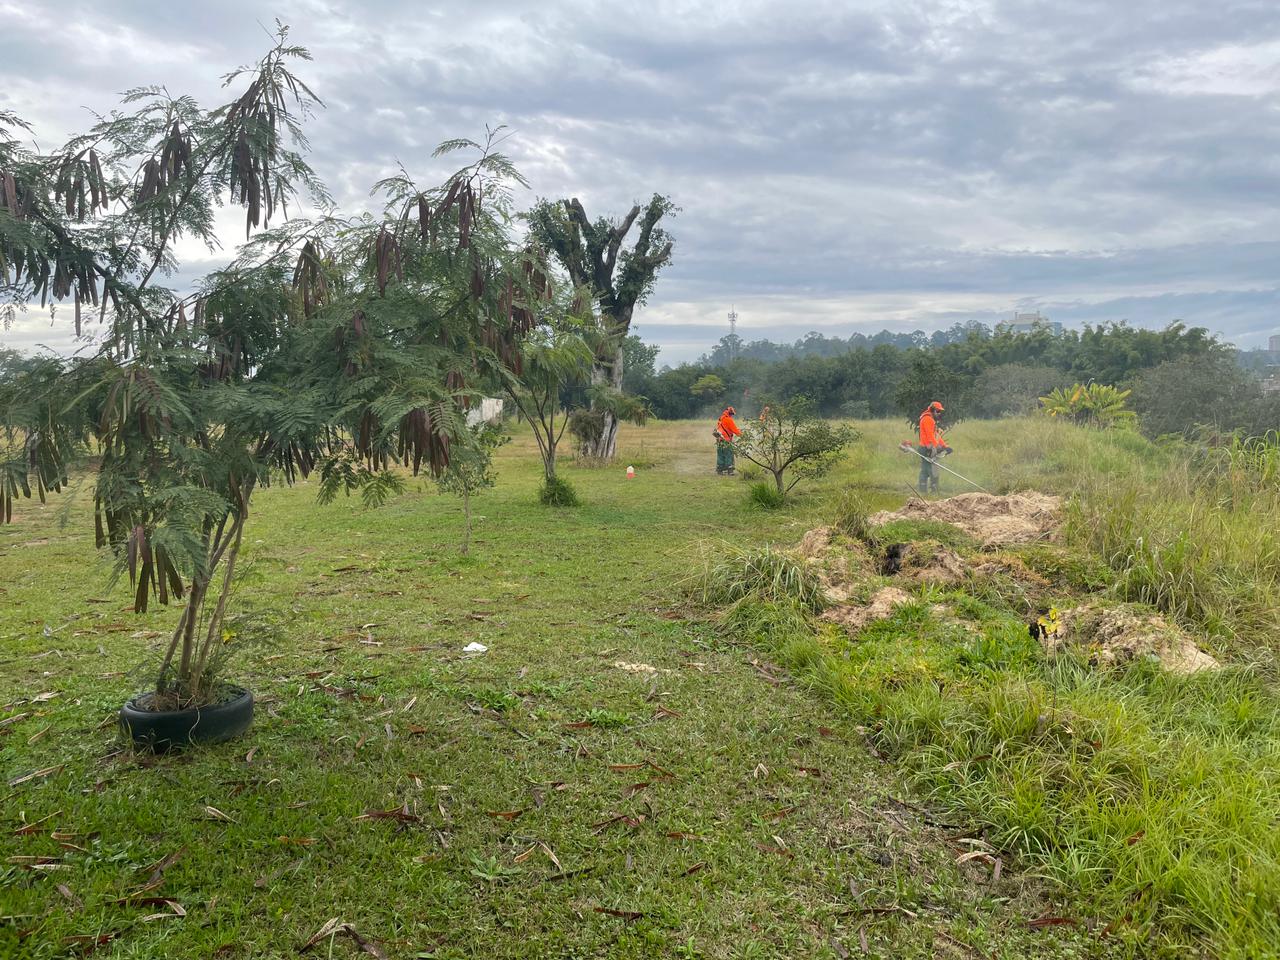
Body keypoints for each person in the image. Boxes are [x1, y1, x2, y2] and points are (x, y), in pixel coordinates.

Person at [917, 401, 944, 492]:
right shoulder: (928, 419)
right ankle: (933, 491)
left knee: (925, 470)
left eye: (940, 412)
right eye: (938, 411)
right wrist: (937, 446)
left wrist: (944, 446)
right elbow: (930, 436)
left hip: (926, 448)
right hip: (926, 449)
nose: (939, 414)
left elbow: (935, 434)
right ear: (933, 410)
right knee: (932, 470)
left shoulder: (930, 419)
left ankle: (923, 491)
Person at [714, 405, 741, 475]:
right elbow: (735, 430)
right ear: (729, 413)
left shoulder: (721, 418)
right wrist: (741, 434)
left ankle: (720, 470)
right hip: (726, 440)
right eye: (732, 414)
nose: (732, 415)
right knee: (729, 454)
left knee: (720, 455)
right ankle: (730, 471)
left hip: (719, 439)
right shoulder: (729, 419)